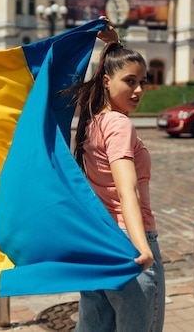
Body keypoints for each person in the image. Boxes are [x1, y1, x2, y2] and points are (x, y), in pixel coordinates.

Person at [71, 24, 165, 332]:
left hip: (99, 244)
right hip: (129, 245)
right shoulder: (120, 125)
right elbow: (128, 192)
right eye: (130, 82)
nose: (139, 90)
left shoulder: (91, 120)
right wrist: (141, 247)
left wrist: (113, 46)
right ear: (108, 82)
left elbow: (107, 75)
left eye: (142, 82)